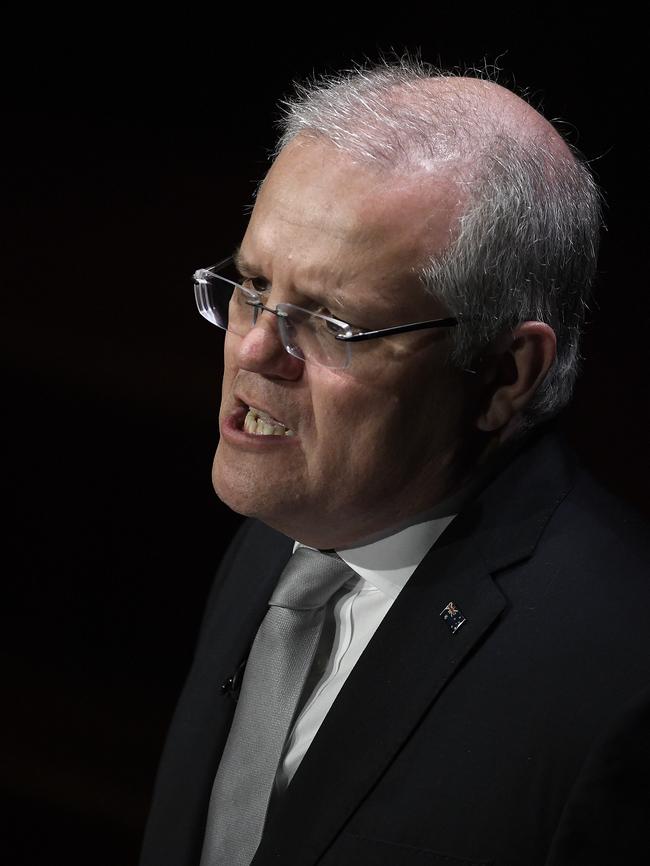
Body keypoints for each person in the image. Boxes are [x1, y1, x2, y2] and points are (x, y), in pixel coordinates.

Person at [139, 60, 650, 866]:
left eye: (333, 322)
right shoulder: (294, 526)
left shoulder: (622, 686)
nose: (254, 350)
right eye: (253, 285)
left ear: (503, 372)